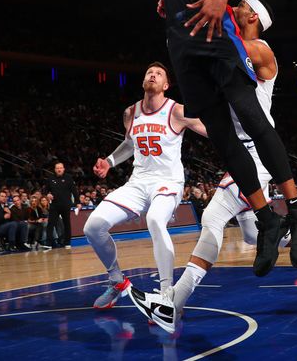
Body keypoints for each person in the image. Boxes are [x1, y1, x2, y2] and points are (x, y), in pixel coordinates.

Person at [88, 0, 297, 274]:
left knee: (251, 118)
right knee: (225, 142)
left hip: (216, 33)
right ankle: (266, 219)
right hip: (181, 45)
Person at [128, 0, 297, 332]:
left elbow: (223, 48)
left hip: (257, 153)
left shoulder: (260, 50)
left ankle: (173, 302)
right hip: (240, 154)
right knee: (250, 232)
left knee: (213, 220)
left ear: (253, 16)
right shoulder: (232, 44)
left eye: (239, 5)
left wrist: (188, 14)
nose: (234, 7)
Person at [87, 62, 208, 309]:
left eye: (158, 74)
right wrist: (109, 161)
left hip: (168, 182)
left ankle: (166, 296)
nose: (152, 75)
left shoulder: (177, 111)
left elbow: (211, 131)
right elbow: (130, 144)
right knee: (93, 227)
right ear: (144, 81)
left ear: (166, 85)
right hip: (138, 182)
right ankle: (117, 281)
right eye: (149, 72)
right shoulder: (130, 113)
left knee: (155, 219)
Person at [43, 162, 77, 249]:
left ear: (63, 169)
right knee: (51, 223)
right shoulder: (50, 178)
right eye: (57, 168)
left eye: (61, 168)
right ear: (55, 170)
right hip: (54, 205)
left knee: (67, 224)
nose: (59, 169)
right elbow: (44, 191)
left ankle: (67, 242)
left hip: (66, 205)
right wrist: (47, 194)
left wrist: (78, 202)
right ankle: (48, 243)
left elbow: (74, 191)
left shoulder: (68, 178)